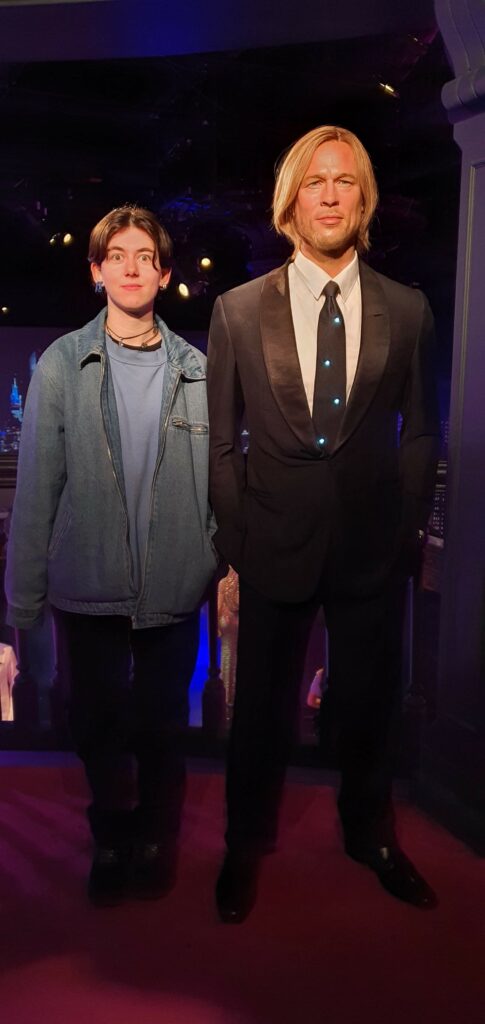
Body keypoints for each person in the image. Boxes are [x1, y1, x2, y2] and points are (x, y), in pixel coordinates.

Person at [207, 125, 440, 922]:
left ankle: (371, 838)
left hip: (372, 549)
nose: (331, 195)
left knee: (370, 705)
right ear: (290, 203)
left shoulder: (407, 309)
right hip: (270, 545)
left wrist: (405, 532)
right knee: (258, 710)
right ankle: (244, 843)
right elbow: (220, 443)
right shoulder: (238, 311)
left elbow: (421, 433)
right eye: (315, 181)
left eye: (344, 181)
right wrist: (236, 540)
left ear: (363, 199)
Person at [6, 205, 218, 905]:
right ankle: (111, 835)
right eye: (116, 256)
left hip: (173, 583)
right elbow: (38, 486)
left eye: (145, 256)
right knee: (95, 722)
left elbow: (220, 484)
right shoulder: (62, 365)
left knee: (162, 723)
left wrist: (213, 556)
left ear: (163, 272)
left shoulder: (198, 371)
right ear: (96, 271)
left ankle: (155, 837)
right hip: (87, 582)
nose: (131, 268)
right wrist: (24, 599)